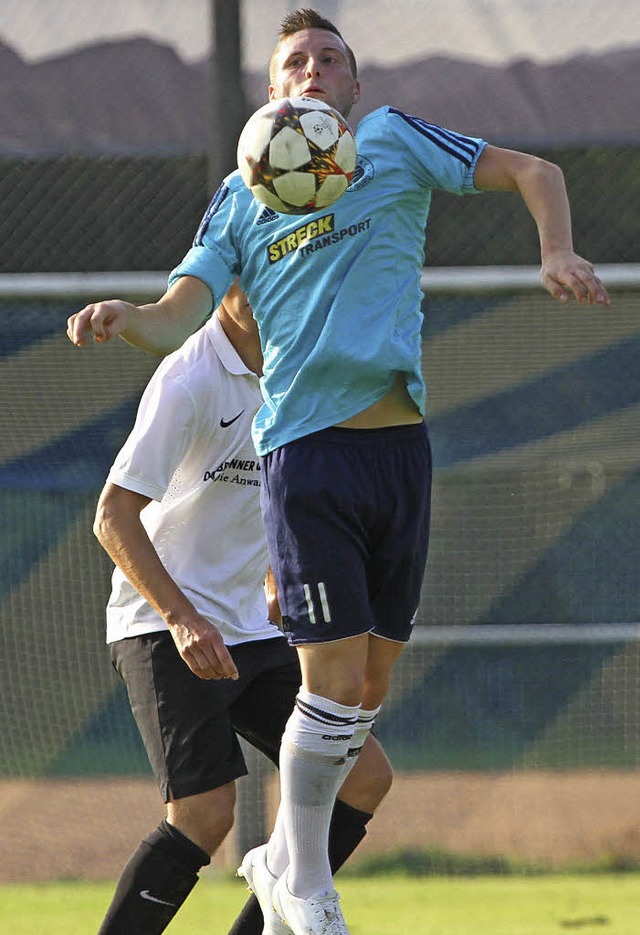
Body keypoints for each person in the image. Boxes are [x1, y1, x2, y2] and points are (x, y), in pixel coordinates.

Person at [68, 9, 611, 934]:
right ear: (274, 94)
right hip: (305, 455)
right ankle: (302, 880)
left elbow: (537, 171)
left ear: (354, 90)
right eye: (294, 62)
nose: (313, 70)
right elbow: (175, 313)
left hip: (400, 449)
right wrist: (130, 314)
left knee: (363, 700)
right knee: (294, 719)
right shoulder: (241, 200)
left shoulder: (396, 143)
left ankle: (283, 862)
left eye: (330, 59)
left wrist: (555, 246)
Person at [91, 280, 392, 935]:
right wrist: (181, 617)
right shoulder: (191, 377)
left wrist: (284, 570)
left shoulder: (301, 372)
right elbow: (112, 515)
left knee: (362, 775)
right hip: (161, 625)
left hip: (255, 627)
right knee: (204, 815)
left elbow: (290, 493)